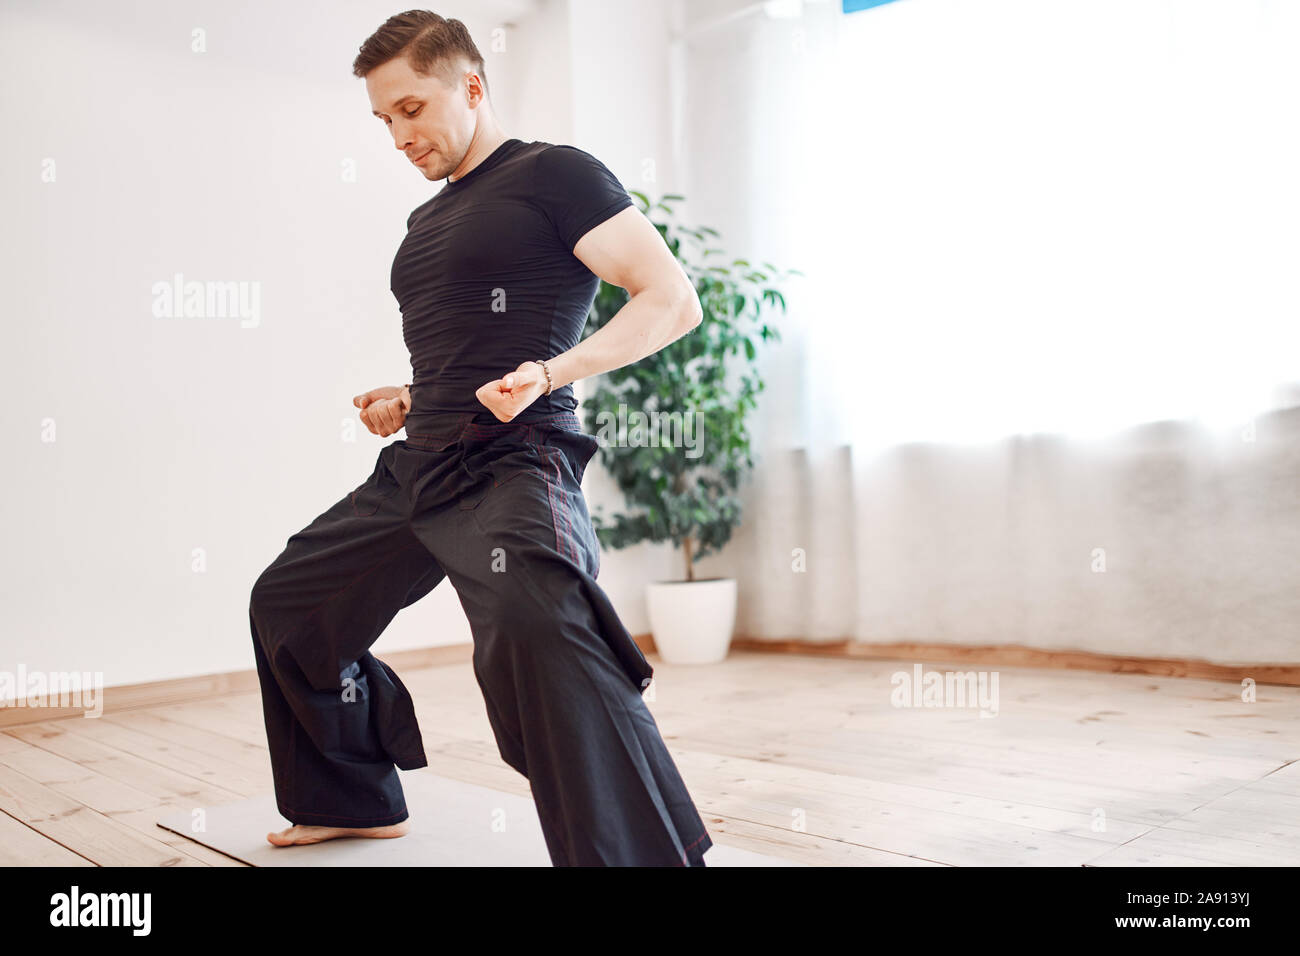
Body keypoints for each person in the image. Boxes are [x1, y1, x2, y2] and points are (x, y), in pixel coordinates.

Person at [247, 10, 712, 866]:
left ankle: (638, 853)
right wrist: (410, 393)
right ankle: (349, 797)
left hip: (514, 458)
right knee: (288, 606)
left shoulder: (556, 174)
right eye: (384, 120)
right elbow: (469, 347)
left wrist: (552, 372)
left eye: (412, 109)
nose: (398, 136)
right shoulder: (427, 223)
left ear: (471, 85)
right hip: (418, 463)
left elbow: (670, 300)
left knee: (542, 625)